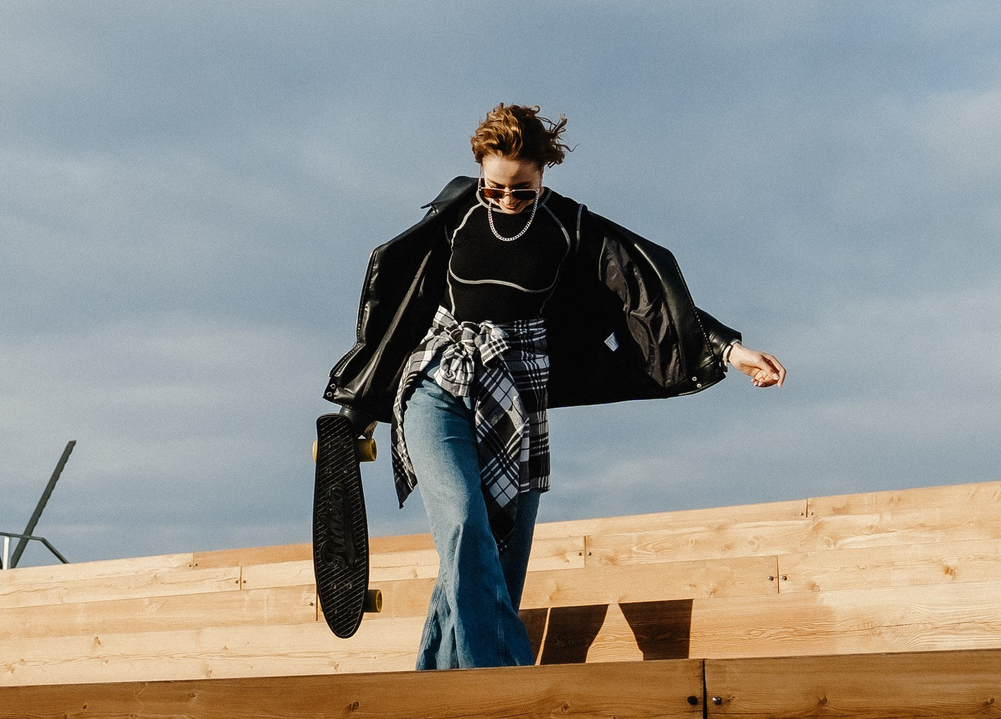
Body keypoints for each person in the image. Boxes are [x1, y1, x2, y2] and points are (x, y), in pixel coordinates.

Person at [324, 104, 786, 669]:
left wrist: (728, 350)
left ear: (544, 173)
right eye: (495, 190)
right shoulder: (454, 219)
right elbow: (401, 308)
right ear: (479, 172)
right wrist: (360, 403)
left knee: (500, 553)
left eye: (523, 190)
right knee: (466, 523)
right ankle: (506, 684)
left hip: (518, 396)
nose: (509, 202)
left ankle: (438, 691)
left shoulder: (570, 227)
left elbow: (643, 292)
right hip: (439, 381)